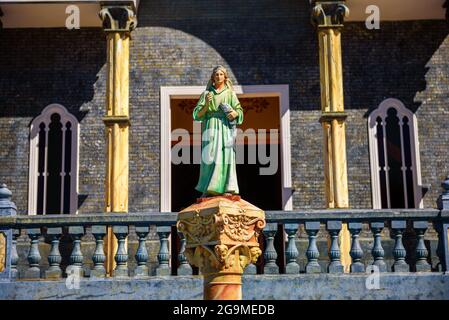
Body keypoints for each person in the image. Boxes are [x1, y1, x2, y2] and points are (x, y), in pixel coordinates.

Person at [193, 65, 244, 196]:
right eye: (216, 74)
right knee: (210, 155)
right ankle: (209, 188)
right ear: (213, 77)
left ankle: (226, 187)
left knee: (225, 154)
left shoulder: (230, 93)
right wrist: (205, 105)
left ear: (225, 77)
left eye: (221, 74)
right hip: (210, 126)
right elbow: (197, 115)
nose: (219, 76)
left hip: (225, 127)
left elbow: (239, 111)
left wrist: (234, 113)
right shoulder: (206, 94)